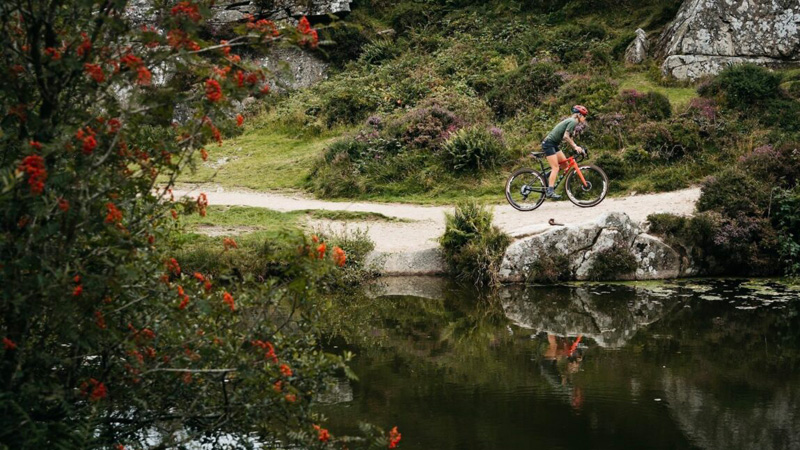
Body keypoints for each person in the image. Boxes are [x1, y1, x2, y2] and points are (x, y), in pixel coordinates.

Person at [541, 105, 588, 199]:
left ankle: (545, 176)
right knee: (555, 168)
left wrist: (577, 147)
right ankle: (550, 191)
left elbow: (569, 137)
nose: (585, 118)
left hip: (554, 144)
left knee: (565, 165)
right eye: (584, 116)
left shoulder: (572, 122)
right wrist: (575, 147)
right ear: (579, 115)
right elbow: (566, 137)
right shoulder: (573, 121)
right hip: (549, 144)